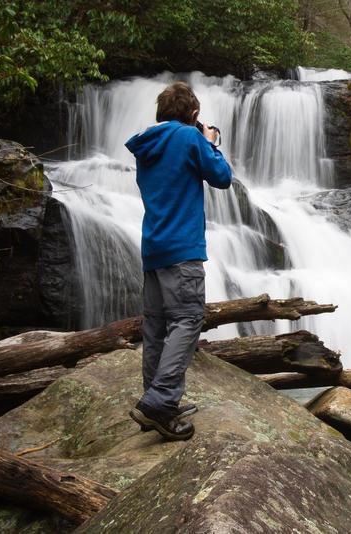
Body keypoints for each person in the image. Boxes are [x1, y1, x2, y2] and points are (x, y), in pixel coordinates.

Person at [125, 82, 232, 440]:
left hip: (153, 248)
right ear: (194, 114)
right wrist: (209, 141)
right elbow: (222, 177)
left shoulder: (147, 145)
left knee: (155, 328)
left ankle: (155, 403)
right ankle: (160, 401)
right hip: (182, 249)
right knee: (187, 320)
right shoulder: (189, 139)